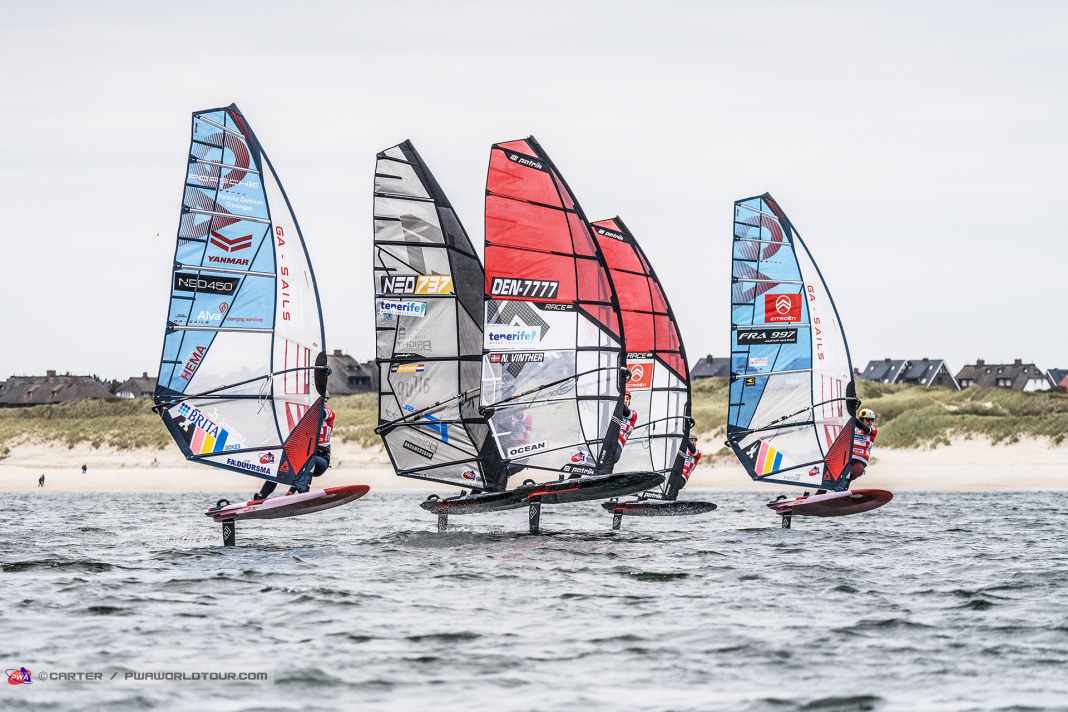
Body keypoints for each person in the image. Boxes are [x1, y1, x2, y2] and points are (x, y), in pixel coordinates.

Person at [251, 403, 335, 502]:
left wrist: (292, 489)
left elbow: (321, 415)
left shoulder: (328, 411)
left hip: (320, 460)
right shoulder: (305, 416)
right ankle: (261, 497)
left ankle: (303, 493)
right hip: (303, 460)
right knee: (279, 465)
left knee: (307, 460)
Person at [847, 407, 878, 482]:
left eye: (872, 420)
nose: (870, 422)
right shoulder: (851, 426)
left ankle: (844, 485)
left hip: (861, 458)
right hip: (849, 456)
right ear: (861, 419)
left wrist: (851, 416)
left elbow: (864, 428)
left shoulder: (873, 430)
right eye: (868, 420)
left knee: (857, 471)